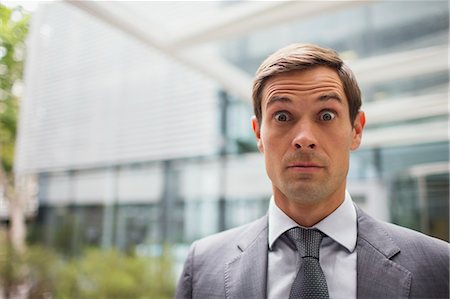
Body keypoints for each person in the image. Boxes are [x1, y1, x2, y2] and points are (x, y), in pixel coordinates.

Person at [175, 43, 449, 299]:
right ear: (259, 134)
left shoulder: (438, 267)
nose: (304, 138)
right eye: (282, 116)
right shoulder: (202, 266)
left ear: (356, 130)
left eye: (326, 115)